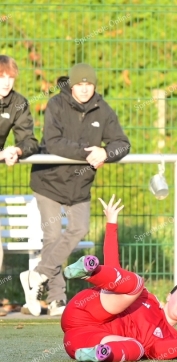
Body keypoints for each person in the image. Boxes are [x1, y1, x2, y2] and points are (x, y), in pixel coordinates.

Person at [61, 195, 177, 362]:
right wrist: (111, 223)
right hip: (85, 312)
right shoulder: (146, 297)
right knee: (136, 285)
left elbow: (158, 352)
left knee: (137, 348)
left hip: (82, 342)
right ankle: (90, 270)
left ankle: (100, 354)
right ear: (169, 296)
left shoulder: (171, 338)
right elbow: (115, 269)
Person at [23, 63, 130, 317]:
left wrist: (106, 152)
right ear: (71, 85)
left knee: (79, 229)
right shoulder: (56, 105)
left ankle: (36, 275)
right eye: (79, 84)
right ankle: (57, 298)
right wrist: (89, 154)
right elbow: (53, 142)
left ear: (94, 85)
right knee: (52, 236)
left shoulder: (103, 110)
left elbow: (123, 144)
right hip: (48, 182)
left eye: (89, 84)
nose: (84, 89)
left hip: (79, 186)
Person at [1, 55, 40, 317]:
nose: (6, 82)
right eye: (2, 77)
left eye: (10, 77)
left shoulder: (18, 103)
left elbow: (30, 141)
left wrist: (16, 149)